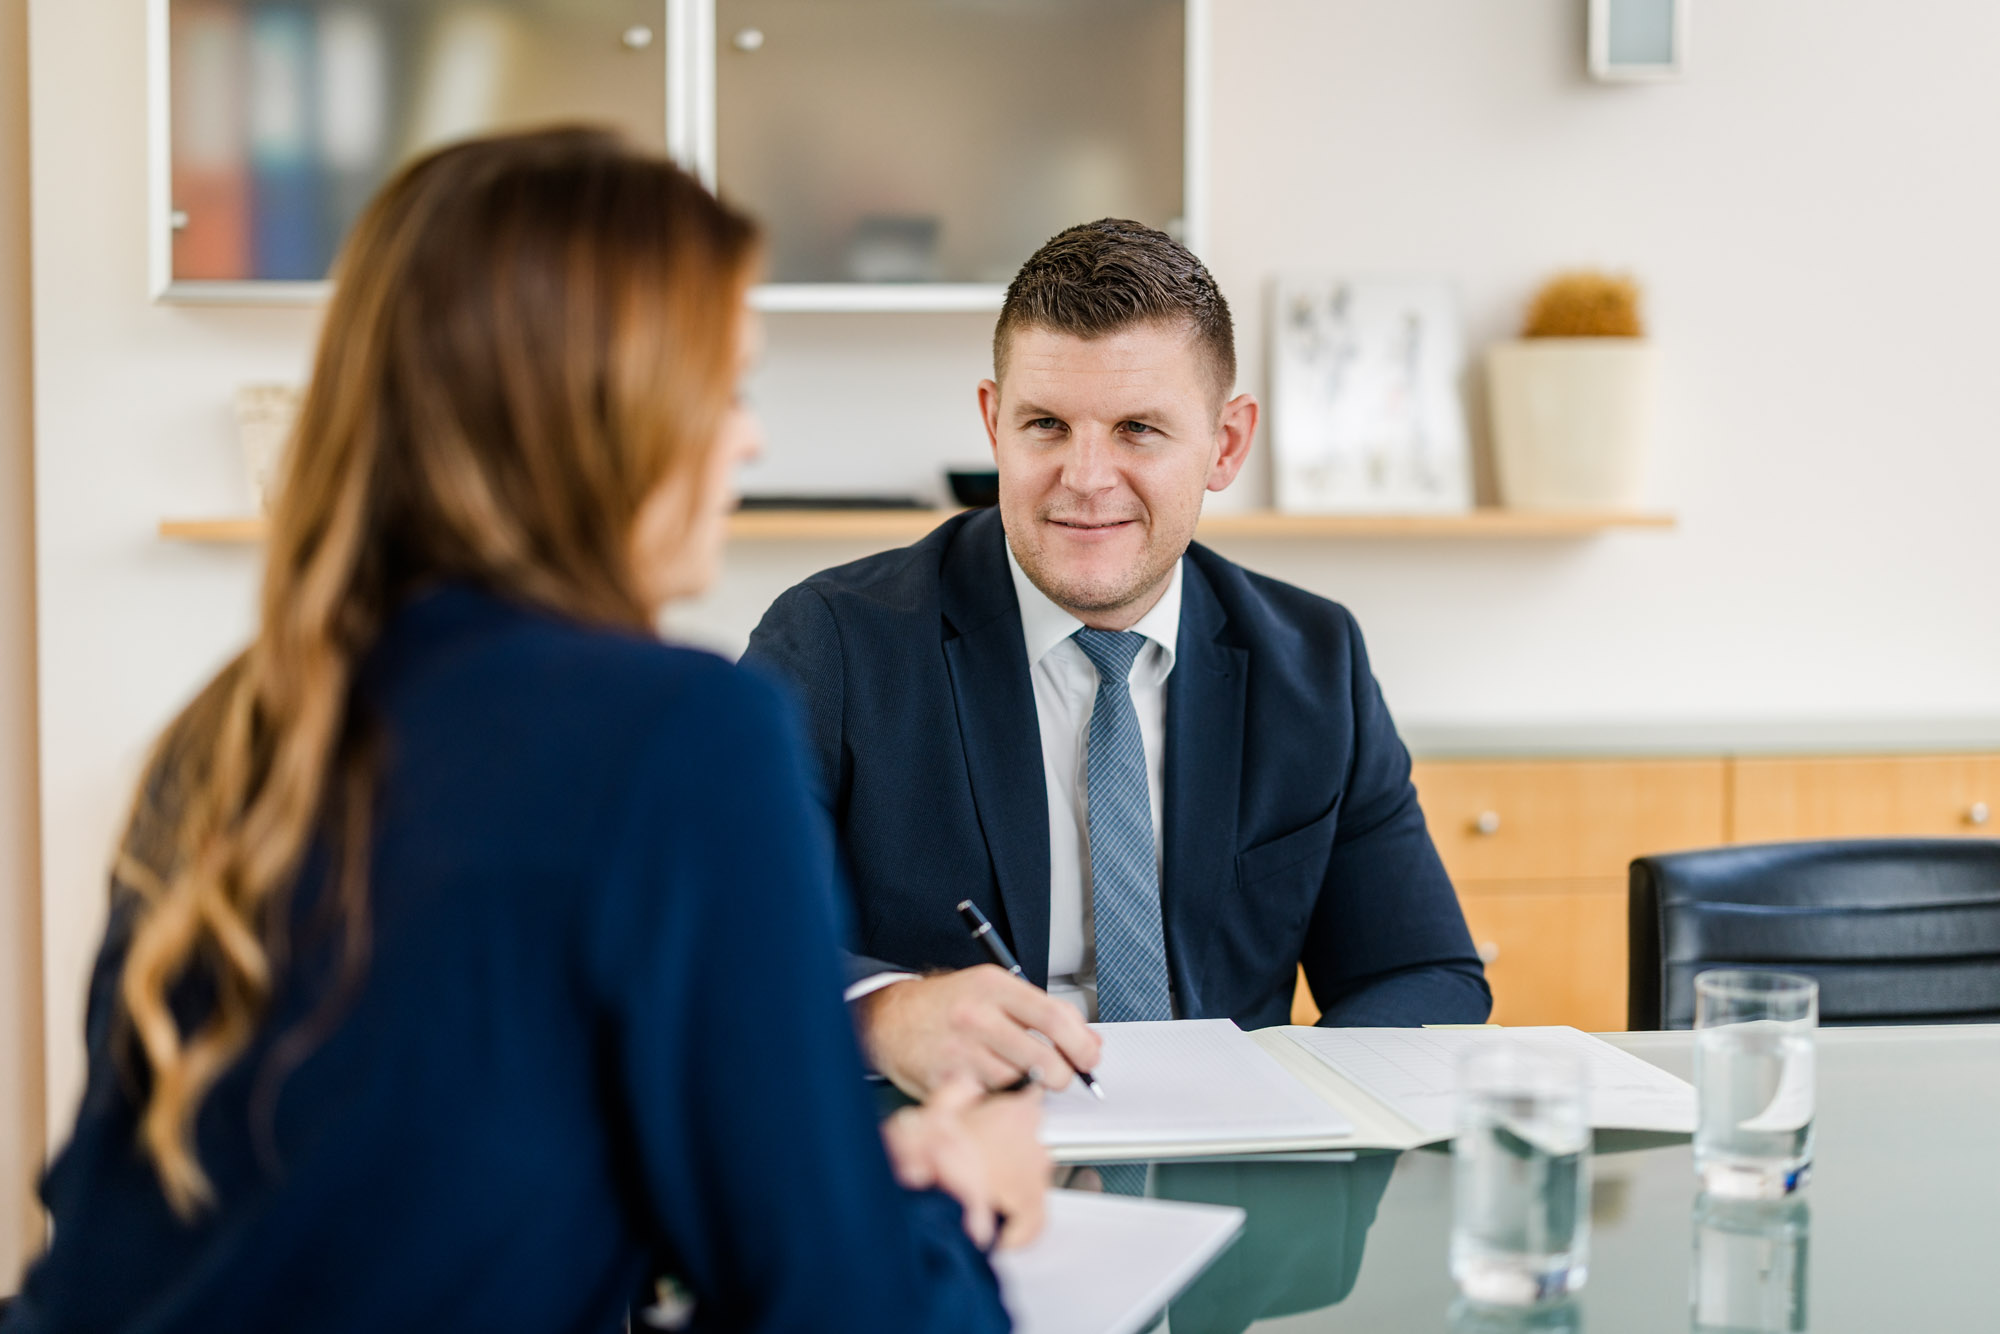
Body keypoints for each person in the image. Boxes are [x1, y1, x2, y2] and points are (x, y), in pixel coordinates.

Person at [3, 129, 1042, 1334]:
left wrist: (838, 1191)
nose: (747, 439)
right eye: (724, 387)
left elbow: (394, 1184)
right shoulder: (681, 734)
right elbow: (842, 1315)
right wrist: (956, 1203)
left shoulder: (237, 719)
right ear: (600, 412)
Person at [743, 219, 1491, 1099]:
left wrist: (1280, 1094)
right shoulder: (831, 642)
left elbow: (1423, 972)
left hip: (1235, 1154)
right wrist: (887, 1013)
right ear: (994, 424)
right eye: (1046, 425)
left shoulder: (1316, 661)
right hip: (950, 1147)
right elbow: (721, 932)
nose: (1086, 477)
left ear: (1226, 444)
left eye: (1137, 429)